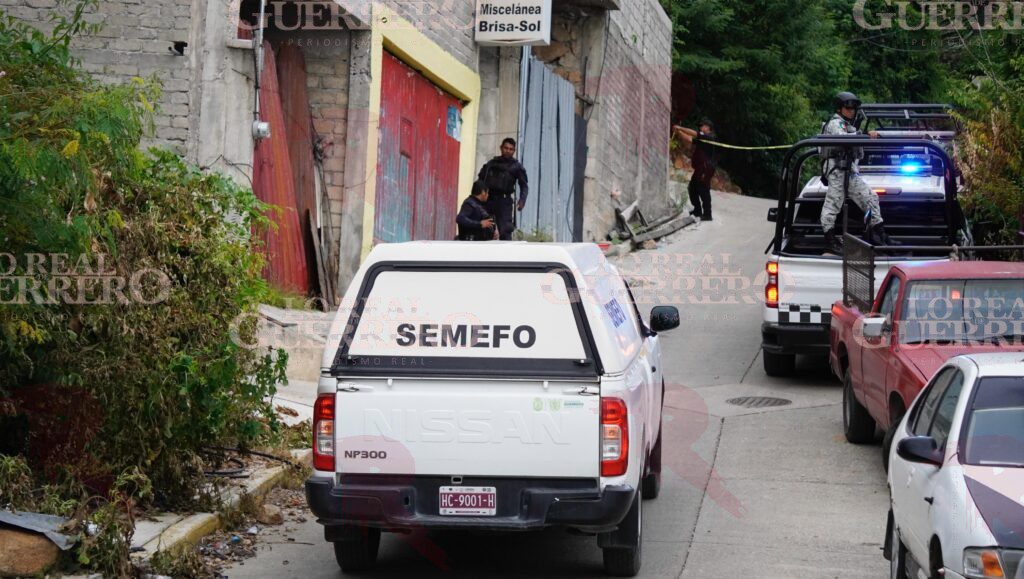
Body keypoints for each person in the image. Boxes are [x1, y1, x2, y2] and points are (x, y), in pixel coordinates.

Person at [819, 91, 897, 253]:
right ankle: (829, 240)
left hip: (848, 170)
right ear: (839, 108)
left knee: (870, 197)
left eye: (854, 108)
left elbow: (858, 153)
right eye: (848, 107)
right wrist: (863, 135)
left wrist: (862, 134)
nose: (852, 111)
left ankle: (879, 234)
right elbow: (843, 139)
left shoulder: (849, 126)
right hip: (837, 170)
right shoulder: (835, 123)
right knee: (833, 204)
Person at [477, 138, 529, 240]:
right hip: (489, 200)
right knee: (486, 230)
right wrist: (477, 198)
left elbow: (524, 186)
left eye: (511, 149)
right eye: (506, 148)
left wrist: (522, 200)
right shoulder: (491, 164)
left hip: (504, 203)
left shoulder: (516, 167)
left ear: (514, 151)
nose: (508, 151)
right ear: (501, 148)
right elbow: (480, 181)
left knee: (505, 231)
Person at [672, 120, 718, 221]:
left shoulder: (709, 137)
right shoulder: (703, 139)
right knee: (692, 188)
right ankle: (697, 210)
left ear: (708, 127)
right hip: (700, 168)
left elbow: (694, 133)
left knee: (703, 189)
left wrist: (680, 128)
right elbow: (689, 139)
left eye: (702, 126)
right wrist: (679, 132)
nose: (700, 127)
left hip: (706, 168)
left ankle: (707, 214)